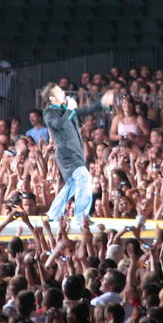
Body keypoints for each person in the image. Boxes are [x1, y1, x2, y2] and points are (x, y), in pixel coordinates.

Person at [40, 82, 115, 227]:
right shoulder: (49, 112)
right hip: (66, 154)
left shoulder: (67, 110)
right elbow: (59, 125)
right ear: (52, 98)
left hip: (76, 152)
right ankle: (81, 217)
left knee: (73, 184)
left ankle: (53, 213)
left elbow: (87, 110)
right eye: (59, 91)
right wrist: (70, 110)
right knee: (84, 177)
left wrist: (102, 102)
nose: (63, 93)